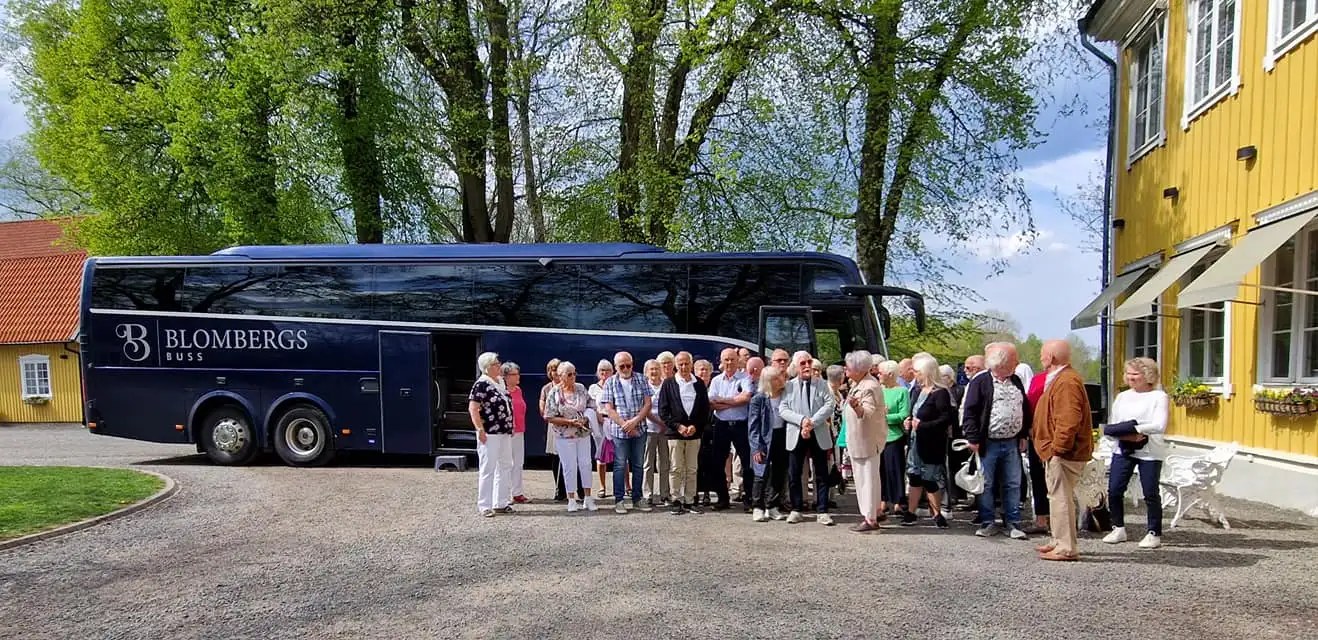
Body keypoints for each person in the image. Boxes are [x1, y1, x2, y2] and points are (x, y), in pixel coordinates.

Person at [962, 343, 1031, 540]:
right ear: (1001, 364)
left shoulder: (1015, 380)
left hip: (1011, 441)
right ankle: (987, 521)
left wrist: (1023, 434)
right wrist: (973, 438)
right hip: (988, 442)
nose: (1016, 363)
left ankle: (1013, 523)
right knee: (986, 483)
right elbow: (970, 411)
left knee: (1013, 483)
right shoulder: (980, 382)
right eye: (1012, 360)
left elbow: (1024, 408)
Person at [1033, 340, 1094, 561]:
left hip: (1064, 453)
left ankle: (1066, 547)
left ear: (1051, 358)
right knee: (1057, 497)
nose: (1041, 359)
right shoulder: (1063, 379)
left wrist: (1057, 450)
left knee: (1061, 498)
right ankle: (1059, 540)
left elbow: (1068, 419)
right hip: (1059, 452)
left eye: (1042, 355)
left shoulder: (1066, 382)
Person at [1103, 357, 1168, 550]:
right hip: (1123, 447)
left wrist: (1136, 430)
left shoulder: (1159, 396)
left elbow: (1159, 425)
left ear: (1148, 375)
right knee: (1114, 489)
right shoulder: (1122, 396)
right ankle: (1118, 527)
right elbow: (1114, 423)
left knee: (1150, 492)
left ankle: (1154, 532)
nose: (1130, 377)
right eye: (1128, 373)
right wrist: (1127, 434)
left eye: (1135, 374)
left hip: (1150, 449)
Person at [779, 350, 837, 526]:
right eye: (803, 363)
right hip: (796, 433)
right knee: (794, 472)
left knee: (821, 473)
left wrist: (811, 422)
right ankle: (796, 508)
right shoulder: (788, 386)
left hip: (817, 432)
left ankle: (822, 510)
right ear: (795, 366)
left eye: (809, 362)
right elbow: (783, 409)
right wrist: (802, 421)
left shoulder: (822, 384)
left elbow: (829, 404)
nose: (806, 366)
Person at [902, 354, 952, 528]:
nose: (914, 374)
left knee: (930, 479)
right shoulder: (916, 391)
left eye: (917, 371)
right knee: (914, 476)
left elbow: (946, 419)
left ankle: (937, 513)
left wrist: (923, 425)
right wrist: (908, 421)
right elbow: (913, 412)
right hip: (916, 441)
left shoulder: (940, 393)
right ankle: (911, 512)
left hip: (931, 442)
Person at [600, 351, 653, 514]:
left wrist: (634, 422)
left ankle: (637, 499)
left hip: (639, 429)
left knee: (638, 465)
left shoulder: (641, 379)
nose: (625, 368)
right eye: (621, 366)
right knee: (619, 465)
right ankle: (619, 500)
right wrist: (625, 425)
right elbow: (609, 408)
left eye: (628, 365)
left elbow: (648, 403)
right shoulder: (610, 382)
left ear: (632, 364)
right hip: (619, 431)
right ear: (616, 367)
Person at [542, 361, 598, 512]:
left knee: (586, 464)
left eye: (574, 373)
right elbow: (548, 416)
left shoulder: (580, 388)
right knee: (569, 467)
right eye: (569, 374)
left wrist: (586, 419)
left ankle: (587, 498)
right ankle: (571, 499)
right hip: (564, 435)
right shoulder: (554, 392)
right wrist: (569, 422)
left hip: (583, 433)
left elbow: (592, 405)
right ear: (560, 376)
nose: (573, 376)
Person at [660, 351, 710, 514]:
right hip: (675, 434)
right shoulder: (668, 383)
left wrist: (695, 426)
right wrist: (678, 426)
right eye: (680, 364)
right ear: (676, 365)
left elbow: (704, 409)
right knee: (676, 468)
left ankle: (690, 500)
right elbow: (663, 411)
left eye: (686, 363)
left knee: (692, 468)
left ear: (691, 364)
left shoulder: (699, 384)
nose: (683, 367)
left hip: (694, 434)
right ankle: (676, 500)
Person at [843, 351, 885, 533]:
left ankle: (870, 518)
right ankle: (875, 510)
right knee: (871, 477)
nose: (845, 369)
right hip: (863, 440)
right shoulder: (861, 383)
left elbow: (867, 412)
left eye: (849, 366)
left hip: (865, 441)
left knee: (865, 479)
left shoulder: (868, 386)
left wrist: (856, 406)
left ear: (859, 369)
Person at [709, 347, 754, 511]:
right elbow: (711, 403)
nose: (729, 362)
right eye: (726, 359)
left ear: (738, 361)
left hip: (741, 425)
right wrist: (733, 400)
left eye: (732, 359)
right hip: (721, 425)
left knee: (747, 463)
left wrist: (723, 401)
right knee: (717, 463)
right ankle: (722, 499)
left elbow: (746, 398)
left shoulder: (745, 378)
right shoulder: (716, 381)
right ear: (721, 361)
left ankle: (749, 499)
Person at [470, 352, 515, 517]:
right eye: (496, 363)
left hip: (504, 431)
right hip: (489, 432)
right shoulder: (481, 384)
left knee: (505, 465)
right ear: (487, 367)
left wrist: (512, 424)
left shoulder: (500, 382)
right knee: (488, 468)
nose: (499, 365)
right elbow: (473, 408)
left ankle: (500, 502)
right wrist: (479, 429)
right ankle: (484, 505)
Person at [747, 365, 788, 522]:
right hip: (765, 438)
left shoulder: (785, 395)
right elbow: (753, 425)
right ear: (769, 381)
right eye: (776, 378)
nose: (781, 380)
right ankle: (757, 507)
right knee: (760, 473)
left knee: (779, 472)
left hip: (781, 436)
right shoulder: (759, 399)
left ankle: (772, 506)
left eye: (781, 376)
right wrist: (756, 447)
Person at [876, 360, 909, 518]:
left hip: (894, 436)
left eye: (881, 373)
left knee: (894, 470)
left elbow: (903, 414)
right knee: (880, 470)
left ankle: (898, 501)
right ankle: (883, 500)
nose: (878, 375)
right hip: (878, 436)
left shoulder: (902, 391)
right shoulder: (878, 390)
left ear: (890, 374)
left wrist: (885, 417)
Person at [642, 359, 671, 507]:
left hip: (665, 430)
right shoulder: (644, 387)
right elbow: (644, 409)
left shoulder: (667, 385)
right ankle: (648, 494)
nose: (654, 372)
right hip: (649, 429)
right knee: (648, 463)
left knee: (664, 463)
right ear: (646, 372)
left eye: (656, 369)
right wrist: (660, 423)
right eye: (651, 369)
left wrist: (666, 423)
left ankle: (665, 494)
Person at [539, 358, 567, 502]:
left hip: (568, 425)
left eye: (557, 369)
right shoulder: (546, 389)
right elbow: (542, 408)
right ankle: (559, 490)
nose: (554, 372)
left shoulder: (568, 386)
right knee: (556, 458)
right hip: (554, 425)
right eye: (552, 369)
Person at [503, 362, 530, 504]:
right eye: (514, 374)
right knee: (507, 462)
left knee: (518, 462)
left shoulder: (518, 390)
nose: (517, 376)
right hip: (508, 432)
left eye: (517, 373)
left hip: (520, 430)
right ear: (505, 377)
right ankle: (506, 493)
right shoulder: (502, 391)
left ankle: (517, 492)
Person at [589, 359, 614, 499]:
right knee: (601, 456)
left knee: (621, 456)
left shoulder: (616, 385)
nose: (604, 373)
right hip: (599, 424)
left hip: (614, 422)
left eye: (607, 370)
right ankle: (602, 487)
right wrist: (598, 416)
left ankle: (626, 486)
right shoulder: (593, 388)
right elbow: (591, 405)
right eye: (602, 370)